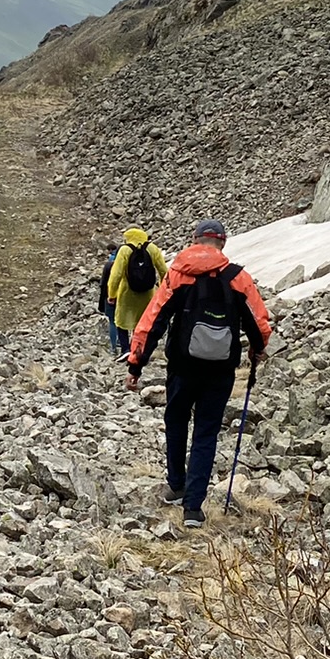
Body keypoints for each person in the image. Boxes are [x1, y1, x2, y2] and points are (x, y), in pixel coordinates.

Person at [123, 219, 272, 528]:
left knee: (176, 419)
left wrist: (136, 365)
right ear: (222, 243)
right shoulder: (237, 278)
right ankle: (193, 508)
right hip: (221, 369)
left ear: (194, 240)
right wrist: (257, 350)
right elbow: (258, 322)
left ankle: (176, 485)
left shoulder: (178, 275)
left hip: (182, 365)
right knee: (206, 432)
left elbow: (153, 321)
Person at [105, 226, 167, 358]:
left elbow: (116, 275)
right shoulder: (152, 248)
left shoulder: (124, 250)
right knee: (142, 321)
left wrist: (112, 294)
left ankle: (125, 349)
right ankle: (137, 348)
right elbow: (164, 271)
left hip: (127, 293)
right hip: (148, 293)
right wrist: (163, 290)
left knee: (121, 321)